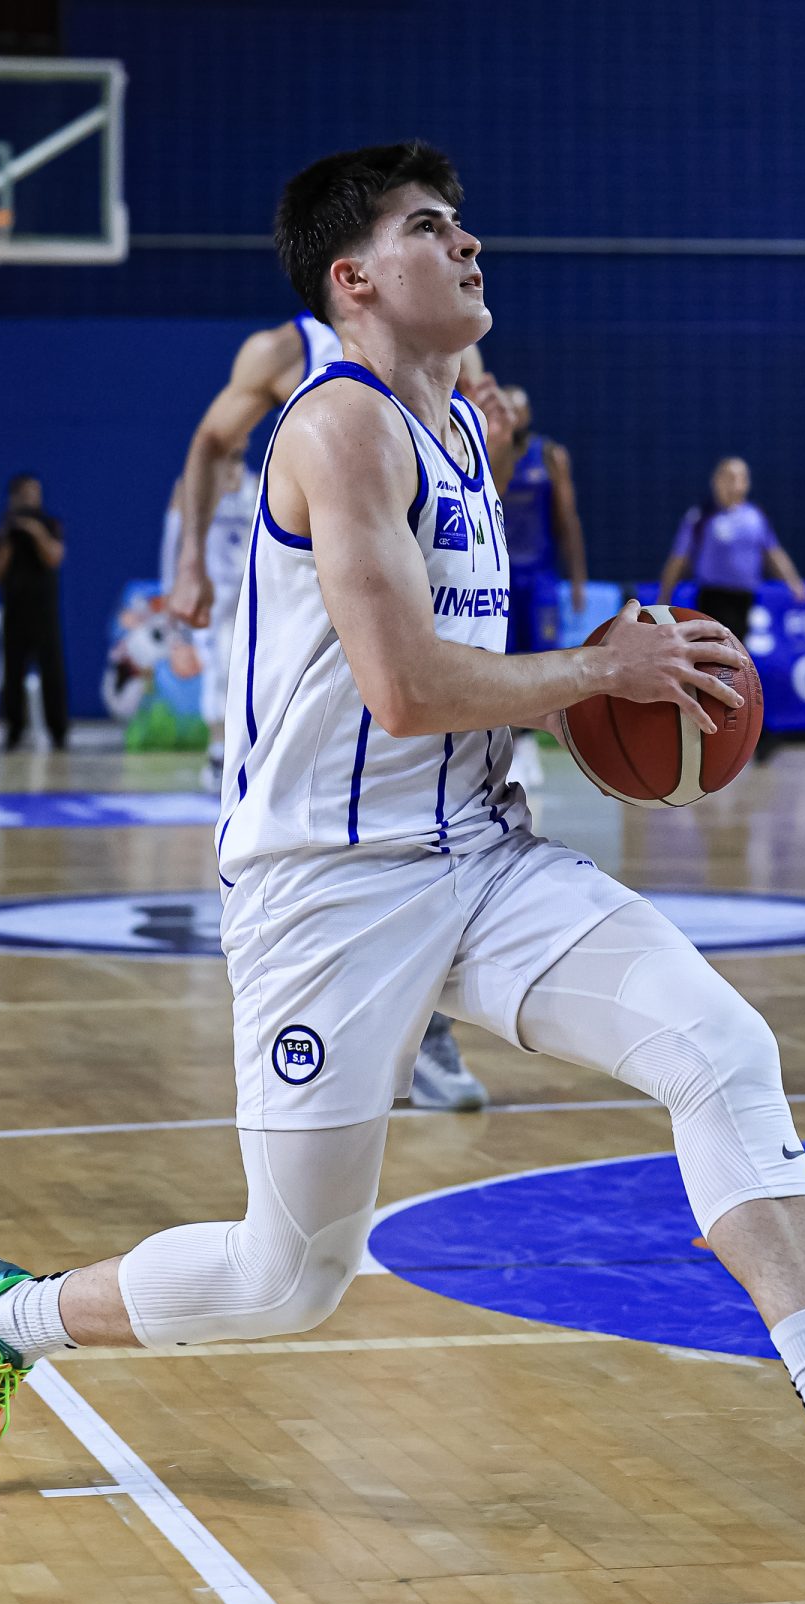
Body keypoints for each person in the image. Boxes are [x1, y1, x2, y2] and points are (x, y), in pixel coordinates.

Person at [0, 142, 805, 1546]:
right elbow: (403, 689)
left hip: (482, 854)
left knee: (721, 1047)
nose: (467, 244)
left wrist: (598, 686)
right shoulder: (337, 427)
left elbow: (465, 669)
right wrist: (602, 673)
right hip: (328, 890)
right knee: (287, 1278)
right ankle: (3, 1317)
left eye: (463, 224)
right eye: (430, 227)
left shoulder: (462, 425)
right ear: (353, 277)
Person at [165, 309, 496, 1108]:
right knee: (336, 807)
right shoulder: (285, 352)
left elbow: (473, 494)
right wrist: (191, 560)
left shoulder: (445, 347)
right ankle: (323, 1023)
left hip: (419, 587)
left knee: (446, 805)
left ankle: (423, 1032)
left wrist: (503, 446)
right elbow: (211, 441)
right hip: (319, 597)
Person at [499, 385, 588, 790]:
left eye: (520, 409)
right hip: (501, 576)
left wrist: (577, 578)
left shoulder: (549, 455)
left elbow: (567, 518)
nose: (515, 416)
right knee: (504, 662)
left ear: (528, 414)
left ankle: (531, 742)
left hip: (540, 576)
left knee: (542, 659)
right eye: (509, 409)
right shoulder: (487, 450)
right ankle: (512, 743)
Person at [159, 440, 259, 790]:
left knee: (244, 674)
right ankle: (218, 751)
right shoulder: (190, 487)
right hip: (210, 596)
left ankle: (242, 752)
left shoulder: (257, 484)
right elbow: (173, 543)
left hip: (246, 597)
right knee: (217, 671)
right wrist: (172, 594)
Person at [656, 457, 805, 643]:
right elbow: (679, 559)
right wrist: (665, 594)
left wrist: (794, 583)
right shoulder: (701, 517)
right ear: (716, 481)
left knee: (738, 646)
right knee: (716, 647)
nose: (734, 483)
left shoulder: (755, 517)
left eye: (740, 478)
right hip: (713, 596)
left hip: (745, 596)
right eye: (729, 477)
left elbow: (773, 552)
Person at [0, 473, 68, 750]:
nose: (32, 499)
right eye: (26, 494)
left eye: (36, 493)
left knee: (52, 672)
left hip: (44, 611)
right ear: (14, 497)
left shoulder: (49, 525)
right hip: (15, 610)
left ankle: (58, 731)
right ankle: (13, 731)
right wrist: (9, 542)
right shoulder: (5, 531)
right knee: (13, 673)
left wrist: (35, 532)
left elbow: (54, 557)